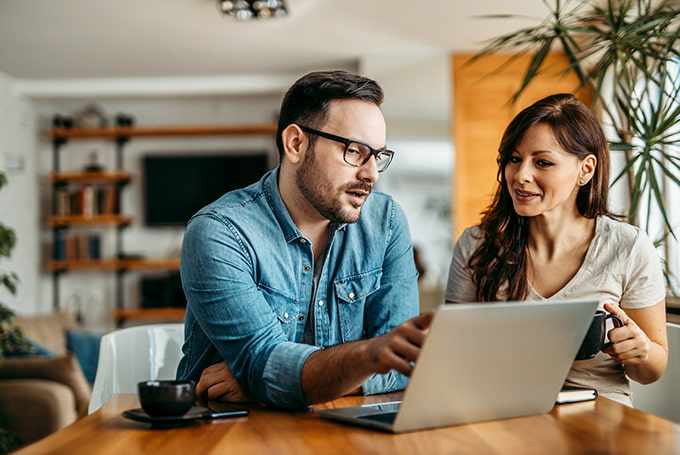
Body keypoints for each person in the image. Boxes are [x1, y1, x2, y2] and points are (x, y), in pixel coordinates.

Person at [176, 70, 430, 409]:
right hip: (226, 429)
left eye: (378, 156)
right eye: (355, 151)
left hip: (340, 425)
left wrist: (265, 383)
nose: (370, 174)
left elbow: (403, 363)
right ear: (296, 144)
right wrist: (367, 359)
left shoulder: (385, 222)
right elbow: (262, 363)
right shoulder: (220, 232)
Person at [445, 93, 668, 406]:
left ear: (586, 169)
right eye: (513, 158)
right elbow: (454, 353)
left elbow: (651, 370)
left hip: (598, 412)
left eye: (543, 162)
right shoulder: (477, 244)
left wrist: (640, 351)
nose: (521, 175)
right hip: (505, 407)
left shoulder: (627, 247)